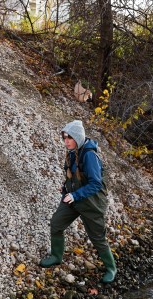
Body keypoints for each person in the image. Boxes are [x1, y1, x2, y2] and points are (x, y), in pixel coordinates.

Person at [39, 120, 117, 283]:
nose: (66, 141)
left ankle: (111, 268)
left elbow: (95, 183)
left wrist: (76, 195)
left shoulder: (89, 155)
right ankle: (56, 256)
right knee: (56, 223)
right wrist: (66, 190)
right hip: (73, 199)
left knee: (97, 238)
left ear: (78, 138)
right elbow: (71, 175)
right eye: (64, 137)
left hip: (92, 203)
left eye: (69, 137)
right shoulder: (72, 152)